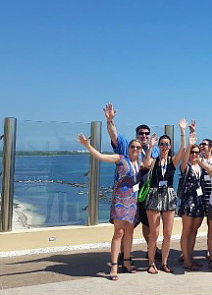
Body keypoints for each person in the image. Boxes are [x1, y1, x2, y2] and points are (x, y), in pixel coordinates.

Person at [77, 134, 141, 281]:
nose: (135, 149)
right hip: (120, 200)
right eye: (133, 147)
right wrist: (87, 145)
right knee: (119, 233)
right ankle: (114, 265)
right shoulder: (120, 158)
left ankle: (126, 262)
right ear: (128, 148)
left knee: (130, 233)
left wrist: (152, 146)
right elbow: (100, 156)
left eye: (138, 147)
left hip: (133, 201)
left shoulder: (139, 162)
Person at [103, 103, 160, 261]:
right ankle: (122, 255)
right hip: (129, 195)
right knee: (124, 229)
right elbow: (114, 136)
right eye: (141, 133)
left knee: (148, 225)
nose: (144, 136)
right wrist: (110, 121)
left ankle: (152, 250)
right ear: (136, 134)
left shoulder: (153, 150)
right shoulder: (127, 146)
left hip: (147, 193)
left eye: (146, 133)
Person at [142, 120, 187, 274]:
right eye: (162, 143)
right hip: (154, 194)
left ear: (169, 146)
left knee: (168, 233)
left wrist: (182, 131)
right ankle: (151, 263)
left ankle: (165, 263)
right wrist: (150, 147)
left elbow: (183, 149)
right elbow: (146, 163)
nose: (164, 146)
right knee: (153, 233)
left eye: (167, 144)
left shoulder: (172, 162)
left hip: (168, 195)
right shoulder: (154, 161)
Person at [178, 131, 206, 271]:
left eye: (197, 152)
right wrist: (189, 143)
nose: (194, 154)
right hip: (188, 202)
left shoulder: (201, 167)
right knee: (186, 231)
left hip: (199, 202)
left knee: (194, 231)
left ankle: (189, 256)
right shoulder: (186, 166)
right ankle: (187, 260)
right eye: (192, 152)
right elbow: (183, 160)